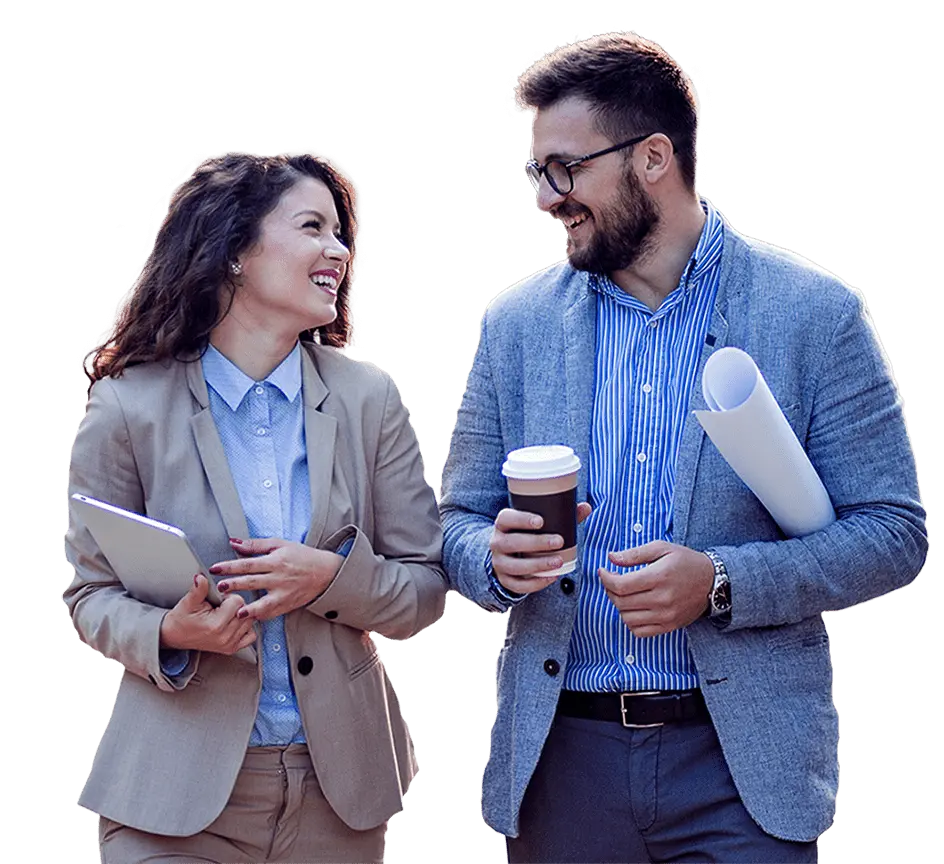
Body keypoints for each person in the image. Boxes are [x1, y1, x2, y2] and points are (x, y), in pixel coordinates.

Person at [439, 32, 927, 863]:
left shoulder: (814, 316)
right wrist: (493, 559)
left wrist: (722, 583)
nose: (547, 198)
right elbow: (457, 524)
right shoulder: (515, 330)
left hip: (741, 773)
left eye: (565, 169)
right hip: (565, 765)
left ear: (654, 156)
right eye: (538, 174)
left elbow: (891, 533)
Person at [64, 151, 446, 864]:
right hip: (173, 801)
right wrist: (171, 634)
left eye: (342, 235)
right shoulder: (128, 406)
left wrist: (328, 580)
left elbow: (425, 588)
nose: (338, 250)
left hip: (339, 797)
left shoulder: (371, 401)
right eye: (313, 227)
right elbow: (88, 597)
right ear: (236, 251)